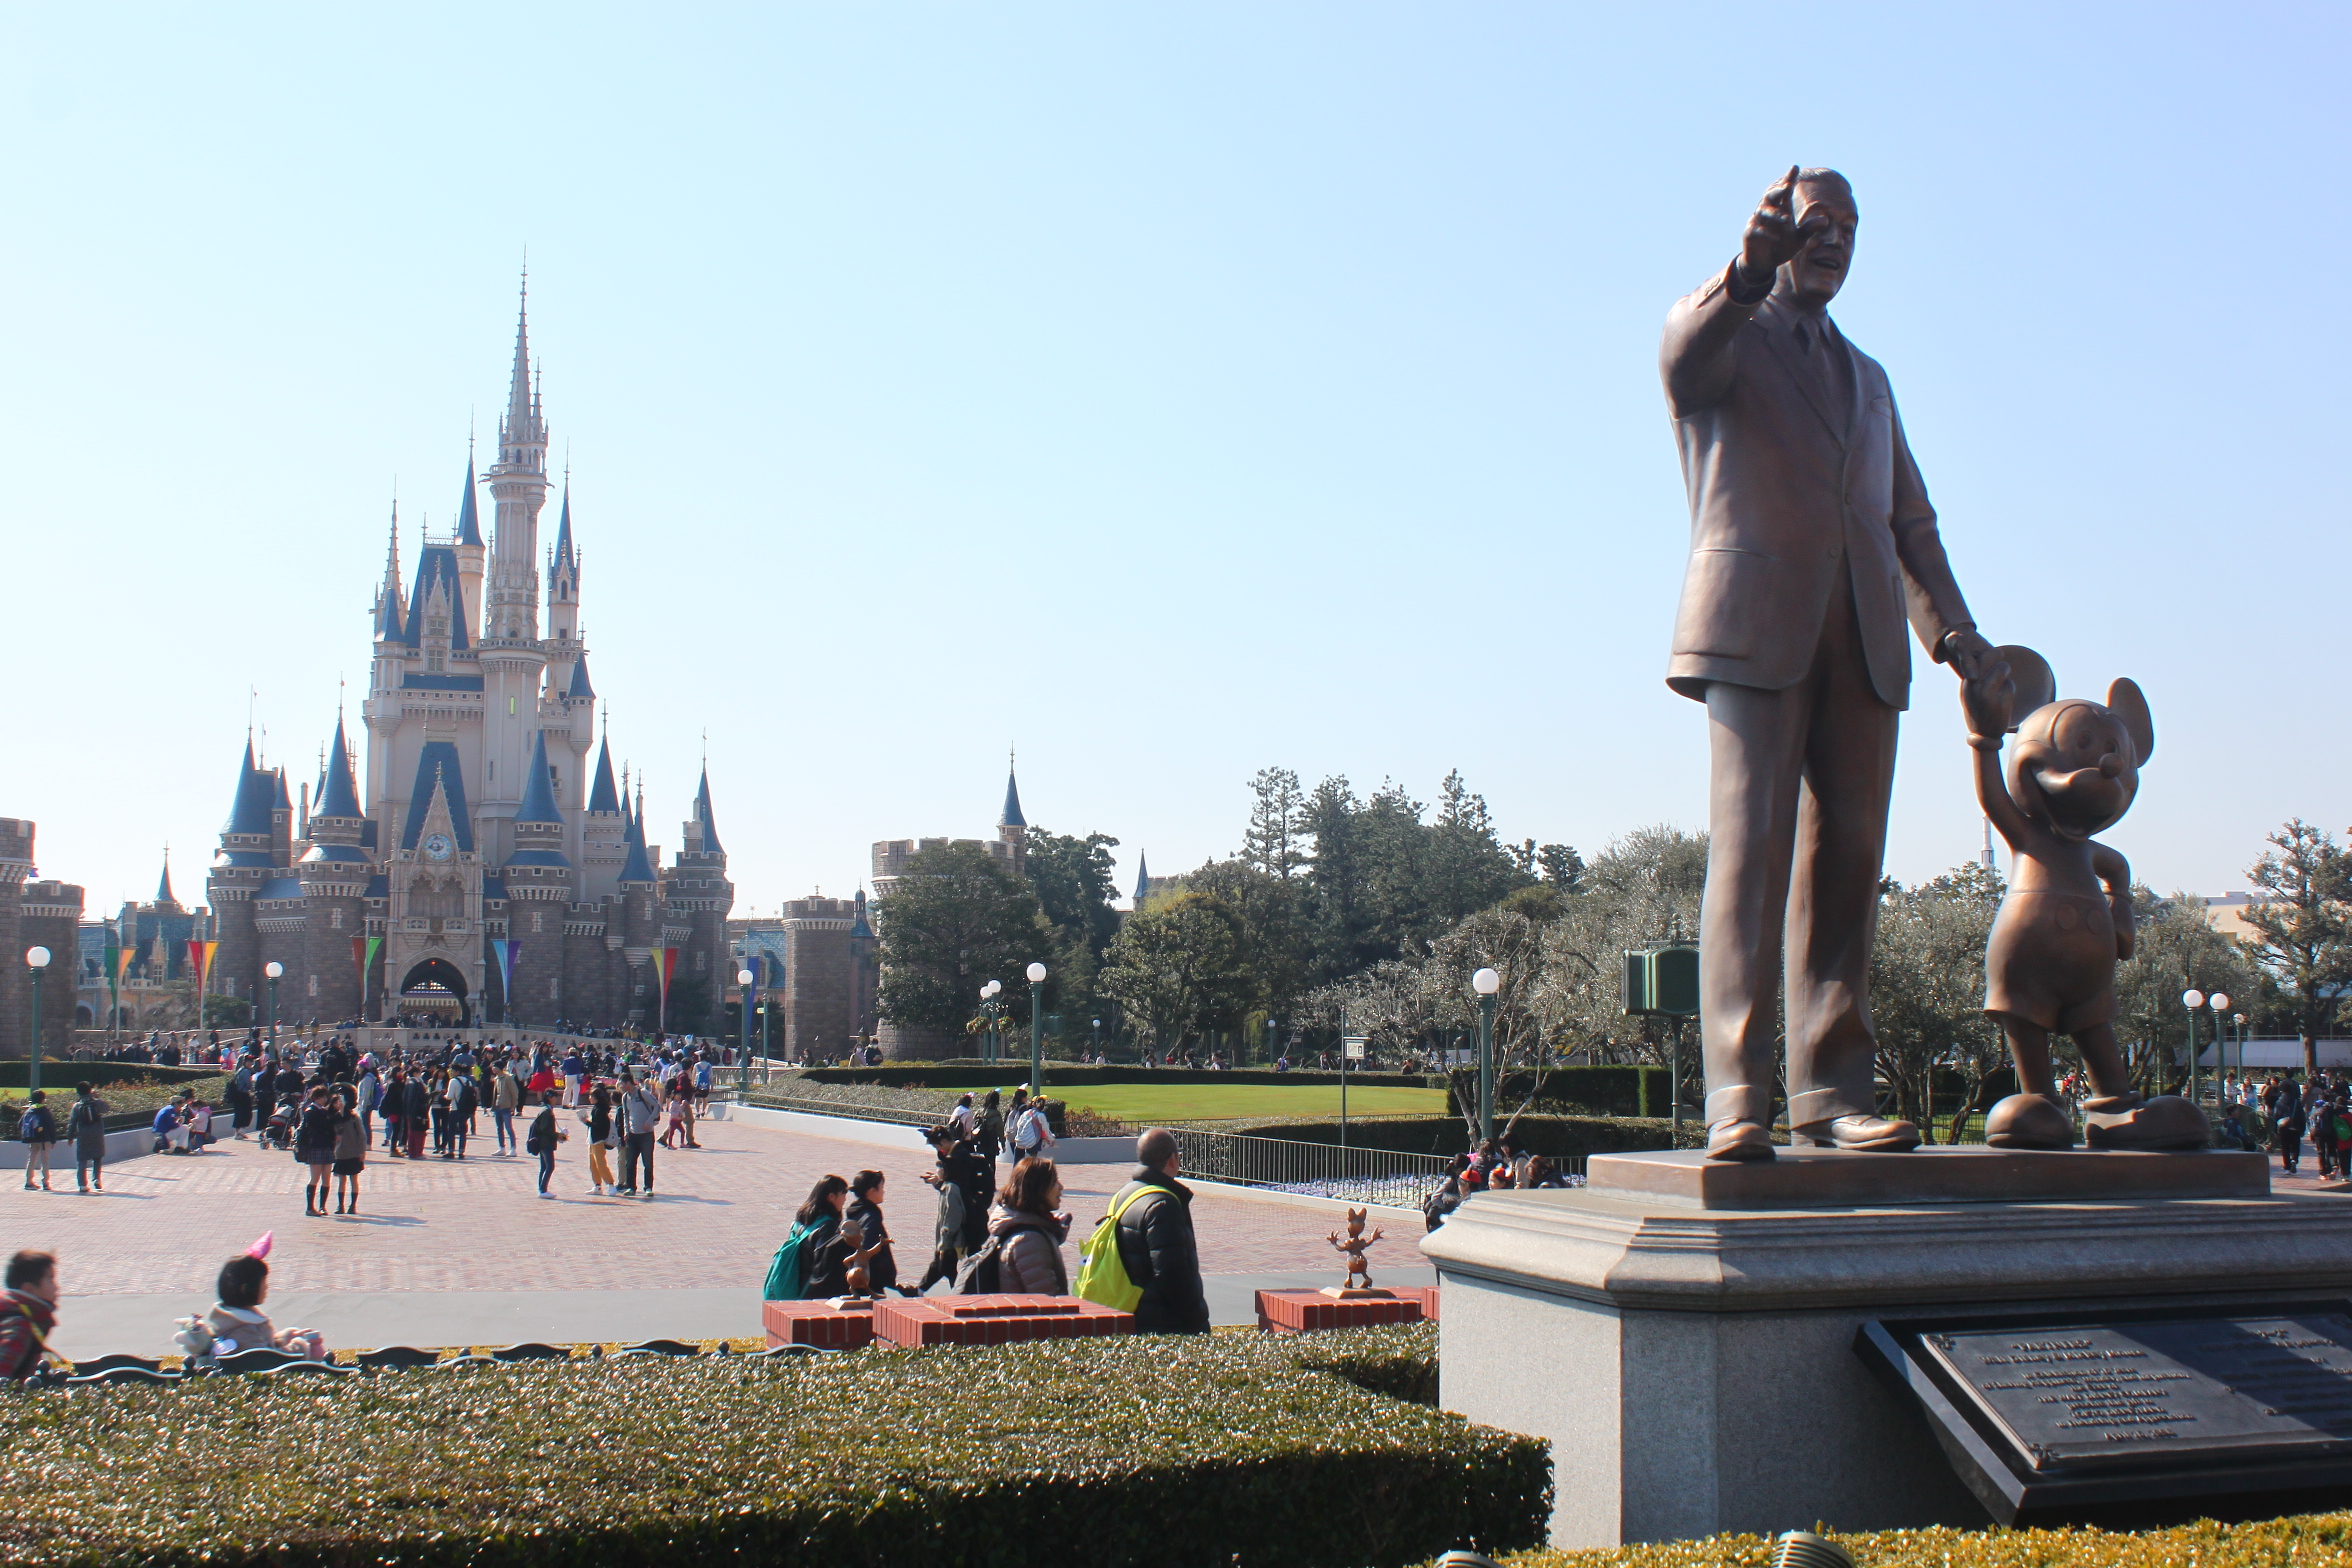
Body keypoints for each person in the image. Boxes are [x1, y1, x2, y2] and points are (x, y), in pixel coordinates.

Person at [1662, 167, 1991, 1162]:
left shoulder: (1871, 378)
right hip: (1754, 621)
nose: (1835, 243)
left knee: (1849, 865)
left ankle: (1831, 1089)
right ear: (1776, 232)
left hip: (1866, 639)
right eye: (1817, 225)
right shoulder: (1730, 334)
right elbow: (1681, 356)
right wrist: (1741, 271)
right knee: (1751, 853)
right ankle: (1736, 1093)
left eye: (1851, 229)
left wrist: (1959, 638)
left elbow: (1909, 522)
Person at [1105, 1128, 1210, 1334]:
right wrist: (1198, 1319)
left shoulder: (1123, 1195)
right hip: (1165, 1325)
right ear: (1172, 1159)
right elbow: (1172, 1274)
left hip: (1132, 1314)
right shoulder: (1163, 1204)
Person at [201, 1250, 324, 1361]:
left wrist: (286, 1337)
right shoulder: (242, 1331)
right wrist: (300, 1346)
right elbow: (268, 1360)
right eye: (262, 1282)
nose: (266, 1287)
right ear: (245, 1289)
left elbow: (262, 1344)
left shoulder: (238, 1321)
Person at [761, 1174, 851, 1301]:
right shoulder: (827, 1225)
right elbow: (824, 1263)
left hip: (794, 1282)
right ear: (831, 1196)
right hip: (809, 1289)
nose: (845, 1199)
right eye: (843, 1193)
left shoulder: (803, 1217)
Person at [989, 1156, 1071, 1295]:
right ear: (1038, 1189)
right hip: (1028, 1316)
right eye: (1054, 1182)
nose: (1061, 1187)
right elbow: (1046, 1302)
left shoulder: (1022, 1227)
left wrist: (1052, 1230)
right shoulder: (1029, 1239)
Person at [844, 1169, 911, 1296]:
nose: (883, 1191)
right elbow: (867, 1251)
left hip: (855, 1278)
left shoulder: (854, 1213)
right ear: (872, 1191)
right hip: (869, 1282)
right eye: (881, 1188)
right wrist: (885, 1272)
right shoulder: (871, 1217)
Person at [0, 1250, 60, 1380]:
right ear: (28, 1289)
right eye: (50, 1280)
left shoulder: (11, 1311)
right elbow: (2, 1378)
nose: (56, 1287)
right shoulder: (19, 1325)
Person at [617, 1069, 660, 1199]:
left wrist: (649, 1120)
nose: (621, 1087)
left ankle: (648, 1187)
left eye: (622, 1084)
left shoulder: (642, 1093)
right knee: (629, 1162)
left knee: (647, 1162)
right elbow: (626, 1114)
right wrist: (626, 1130)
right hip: (632, 1135)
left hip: (646, 1134)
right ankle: (631, 1187)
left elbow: (657, 1106)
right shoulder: (625, 1097)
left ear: (628, 1083)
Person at [296, 1086, 339, 1216]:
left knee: (327, 1178)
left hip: (326, 1146)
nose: (325, 1099)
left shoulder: (325, 1112)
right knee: (315, 1177)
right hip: (315, 1146)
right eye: (322, 1097)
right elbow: (318, 1128)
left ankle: (322, 1206)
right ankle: (310, 1207)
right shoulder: (311, 1111)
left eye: (326, 1097)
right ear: (316, 1098)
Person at [67, 1083, 108, 1194]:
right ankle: (96, 1178)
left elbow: (72, 1123)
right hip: (97, 1134)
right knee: (97, 1157)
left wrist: (70, 1136)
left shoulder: (77, 1106)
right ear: (90, 1090)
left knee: (82, 1160)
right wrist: (97, 1096)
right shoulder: (96, 1103)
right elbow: (106, 1108)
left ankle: (82, 1184)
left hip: (83, 1135)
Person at [330, 1091, 367, 1214]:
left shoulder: (353, 1117)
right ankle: (340, 1205)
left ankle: (353, 1205)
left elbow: (362, 1135)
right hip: (340, 1153)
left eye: (341, 1101)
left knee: (353, 1179)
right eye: (337, 1101)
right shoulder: (334, 1118)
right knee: (341, 1180)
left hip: (353, 1152)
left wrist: (362, 1151)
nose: (339, 1104)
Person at [526, 1091, 565, 1198]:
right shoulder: (547, 1111)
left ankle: (541, 1189)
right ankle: (543, 1190)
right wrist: (557, 1135)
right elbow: (544, 1129)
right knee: (550, 1166)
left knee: (544, 1166)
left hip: (544, 1142)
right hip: (545, 1143)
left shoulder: (545, 1110)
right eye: (555, 1098)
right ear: (549, 1098)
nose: (556, 1100)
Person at [18, 1090, 57, 1192]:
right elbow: (51, 1126)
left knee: (32, 1159)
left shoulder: (29, 1111)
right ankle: (45, 1182)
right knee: (45, 1161)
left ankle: (28, 1182)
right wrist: (53, 1140)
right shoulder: (45, 1111)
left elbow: (20, 1124)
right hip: (44, 1139)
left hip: (32, 1139)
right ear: (43, 1099)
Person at [490, 1057, 520, 1158]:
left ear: (499, 1068)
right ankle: (502, 1148)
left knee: (508, 1128)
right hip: (498, 1106)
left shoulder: (507, 1078)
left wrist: (513, 1106)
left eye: (494, 1067)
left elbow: (514, 1092)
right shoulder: (496, 1079)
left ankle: (513, 1148)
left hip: (506, 1106)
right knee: (499, 1128)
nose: (493, 1068)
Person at [2276, 1092, 2308, 1176]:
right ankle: (2294, 1160)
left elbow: (2276, 1116)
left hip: (2283, 1127)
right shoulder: (2297, 1102)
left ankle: (2287, 1168)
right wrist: (2302, 1129)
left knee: (2285, 1147)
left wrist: (2275, 1130)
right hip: (2295, 1126)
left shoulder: (2279, 1102)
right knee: (2296, 1146)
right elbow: (2302, 1116)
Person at [974, 1089, 1005, 1165]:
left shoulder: (980, 1112)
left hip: (980, 1139)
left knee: (981, 1162)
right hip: (991, 1141)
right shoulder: (996, 1115)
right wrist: (1003, 1144)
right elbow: (1000, 1130)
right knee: (991, 1163)